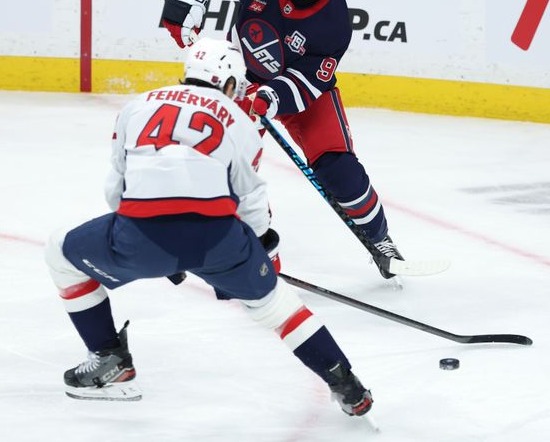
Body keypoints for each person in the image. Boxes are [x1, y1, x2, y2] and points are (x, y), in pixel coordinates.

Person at [44, 38, 373, 417]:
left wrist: (157, 251)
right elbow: (251, 203)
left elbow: (115, 188)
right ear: (230, 84)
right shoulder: (240, 121)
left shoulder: (137, 106)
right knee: (279, 309)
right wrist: (259, 260)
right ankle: (349, 388)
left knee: (59, 253)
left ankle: (109, 360)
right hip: (218, 240)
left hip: (140, 233)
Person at [160, 0, 403, 279]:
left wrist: (273, 95)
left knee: (339, 170)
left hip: (304, 95)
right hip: (242, 84)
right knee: (228, 169)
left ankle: (381, 239)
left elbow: (311, 77)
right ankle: (252, 257)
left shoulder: (335, 20)